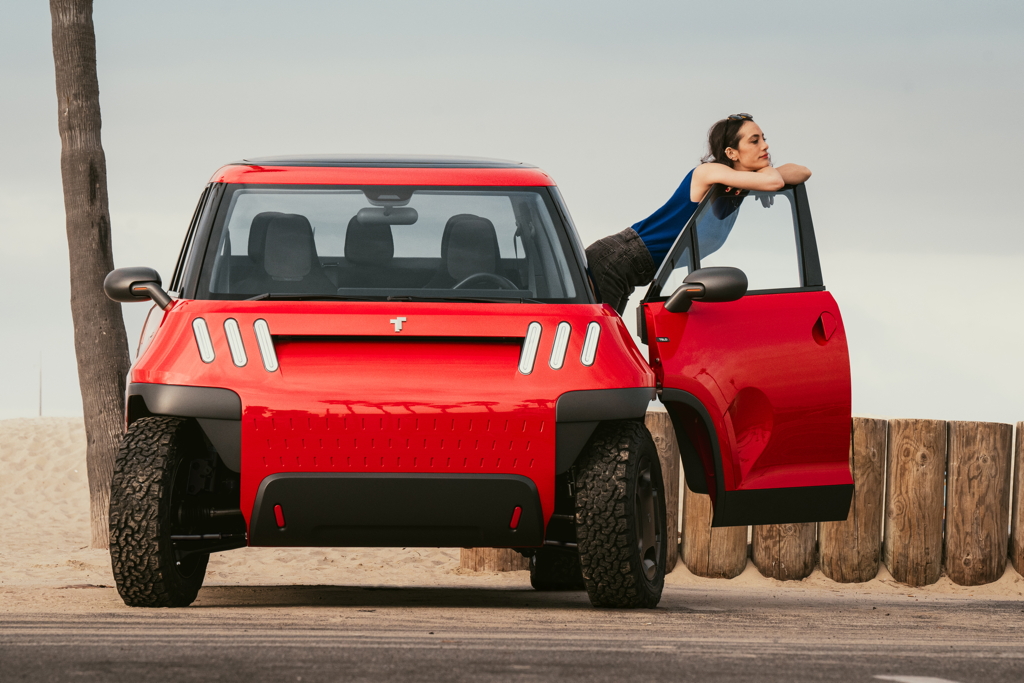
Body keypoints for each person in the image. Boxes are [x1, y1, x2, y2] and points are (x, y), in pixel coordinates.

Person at [585, 113, 812, 313]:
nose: (765, 146)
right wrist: (763, 177)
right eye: (755, 141)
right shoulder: (708, 173)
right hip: (616, 258)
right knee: (598, 345)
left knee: (603, 341)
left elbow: (802, 171)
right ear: (731, 152)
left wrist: (760, 177)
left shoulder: (738, 183)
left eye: (764, 138)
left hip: (627, 267)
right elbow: (774, 180)